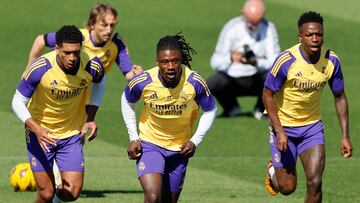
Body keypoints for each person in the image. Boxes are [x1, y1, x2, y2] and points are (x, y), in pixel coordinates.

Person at [26, 3, 143, 186]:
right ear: (92, 24)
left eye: (112, 25)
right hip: (57, 93)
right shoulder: (76, 38)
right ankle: (52, 177)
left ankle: (60, 183)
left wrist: (135, 75)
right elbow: (40, 40)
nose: (109, 29)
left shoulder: (116, 43)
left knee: (77, 139)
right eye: (104, 25)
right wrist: (30, 67)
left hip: (85, 97)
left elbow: (127, 72)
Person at [263, 11, 353, 203]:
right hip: (283, 126)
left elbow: (340, 97)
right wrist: (279, 131)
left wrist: (345, 136)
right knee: (287, 188)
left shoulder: (331, 61)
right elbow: (267, 94)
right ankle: (273, 172)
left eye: (318, 34)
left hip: (312, 128)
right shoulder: (286, 61)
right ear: (300, 37)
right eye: (309, 35)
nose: (314, 39)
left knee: (315, 182)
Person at [12, 25, 105, 203]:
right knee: (46, 193)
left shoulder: (91, 64)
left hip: (71, 134)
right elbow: (17, 101)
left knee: (71, 193)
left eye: (76, 52)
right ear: (56, 48)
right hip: (40, 134)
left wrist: (91, 116)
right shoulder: (40, 68)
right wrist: (36, 128)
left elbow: (100, 81)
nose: (72, 58)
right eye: (67, 52)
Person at [121, 33, 217, 203]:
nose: (171, 66)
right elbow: (126, 100)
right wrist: (133, 137)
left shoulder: (195, 82)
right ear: (157, 63)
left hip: (179, 149)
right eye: (165, 62)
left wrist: (195, 141)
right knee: (152, 197)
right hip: (150, 144)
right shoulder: (144, 81)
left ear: (181, 60)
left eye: (175, 61)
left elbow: (210, 110)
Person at [207, 0, 280, 119]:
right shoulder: (231, 27)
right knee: (212, 83)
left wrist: (257, 62)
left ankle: (261, 109)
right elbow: (215, 62)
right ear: (243, 14)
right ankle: (231, 107)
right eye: (250, 22)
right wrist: (231, 58)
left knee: (276, 77)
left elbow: (277, 60)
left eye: (257, 23)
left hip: (257, 77)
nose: (253, 27)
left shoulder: (269, 28)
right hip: (232, 79)